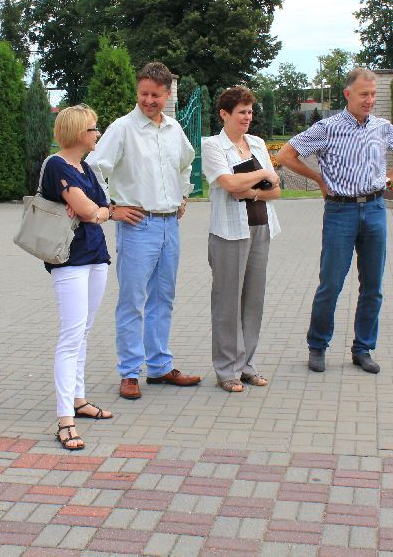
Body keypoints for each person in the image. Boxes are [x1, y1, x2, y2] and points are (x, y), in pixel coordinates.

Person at [276, 68, 393, 375]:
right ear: (348, 94)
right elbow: (286, 155)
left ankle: (363, 348)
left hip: (375, 209)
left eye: (373, 95)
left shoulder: (382, 127)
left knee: (373, 285)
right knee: (331, 283)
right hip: (341, 211)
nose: (369, 100)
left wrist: (389, 178)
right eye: (364, 94)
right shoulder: (327, 128)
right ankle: (317, 346)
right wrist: (318, 178)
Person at [86, 62, 200, 400]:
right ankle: (129, 372)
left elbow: (186, 163)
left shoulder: (173, 129)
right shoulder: (123, 129)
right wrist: (111, 208)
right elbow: (93, 168)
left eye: (155, 95)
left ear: (167, 94)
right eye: (143, 94)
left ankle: (160, 366)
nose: (148, 100)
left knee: (163, 298)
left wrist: (183, 196)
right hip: (138, 226)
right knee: (132, 301)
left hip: (169, 225)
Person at [40, 105, 114, 451]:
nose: (98, 134)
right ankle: (64, 418)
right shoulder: (56, 165)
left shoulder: (85, 167)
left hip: (97, 256)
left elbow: (104, 207)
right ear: (78, 133)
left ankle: (79, 399)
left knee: (84, 331)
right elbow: (88, 210)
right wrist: (93, 212)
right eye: (93, 129)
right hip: (69, 259)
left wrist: (95, 212)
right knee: (71, 335)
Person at [201, 86, 281, 392]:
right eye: (241, 112)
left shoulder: (258, 144)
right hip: (229, 232)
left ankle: (246, 364)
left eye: (250, 112)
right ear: (225, 114)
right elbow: (228, 183)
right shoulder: (213, 146)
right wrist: (260, 177)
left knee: (253, 300)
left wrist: (253, 189)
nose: (247, 117)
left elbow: (275, 190)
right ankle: (226, 370)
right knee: (227, 302)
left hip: (260, 227)